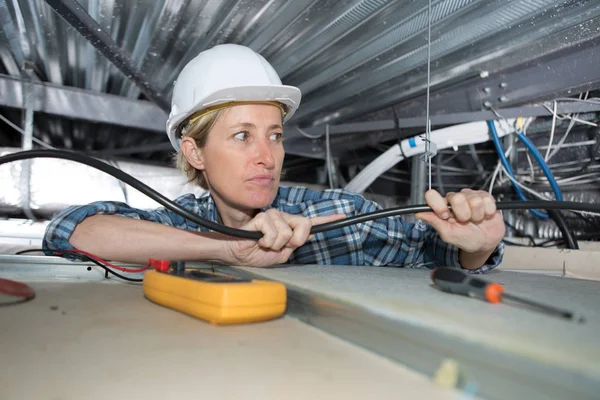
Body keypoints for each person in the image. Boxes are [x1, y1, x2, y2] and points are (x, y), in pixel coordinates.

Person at [43, 44, 505, 272]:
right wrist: (226, 248)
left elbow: (430, 254)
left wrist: (477, 246)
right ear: (194, 152)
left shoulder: (339, 214)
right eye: (242, 136)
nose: (268, 156)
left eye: (275, 135)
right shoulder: (178, 226)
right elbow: (70, 229)